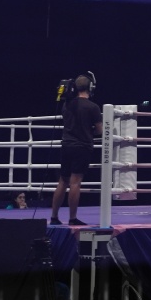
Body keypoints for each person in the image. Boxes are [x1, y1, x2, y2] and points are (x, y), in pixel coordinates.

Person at [50, 74, 103, 226]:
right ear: (90, 88)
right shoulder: (93, 107)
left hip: (66, 145)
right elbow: (100, 131)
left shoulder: (68, 104)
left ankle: (54, 217)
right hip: (82, 146)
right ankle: (72, 218)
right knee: (75, 183)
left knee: (62, 181)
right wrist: (89, 130)